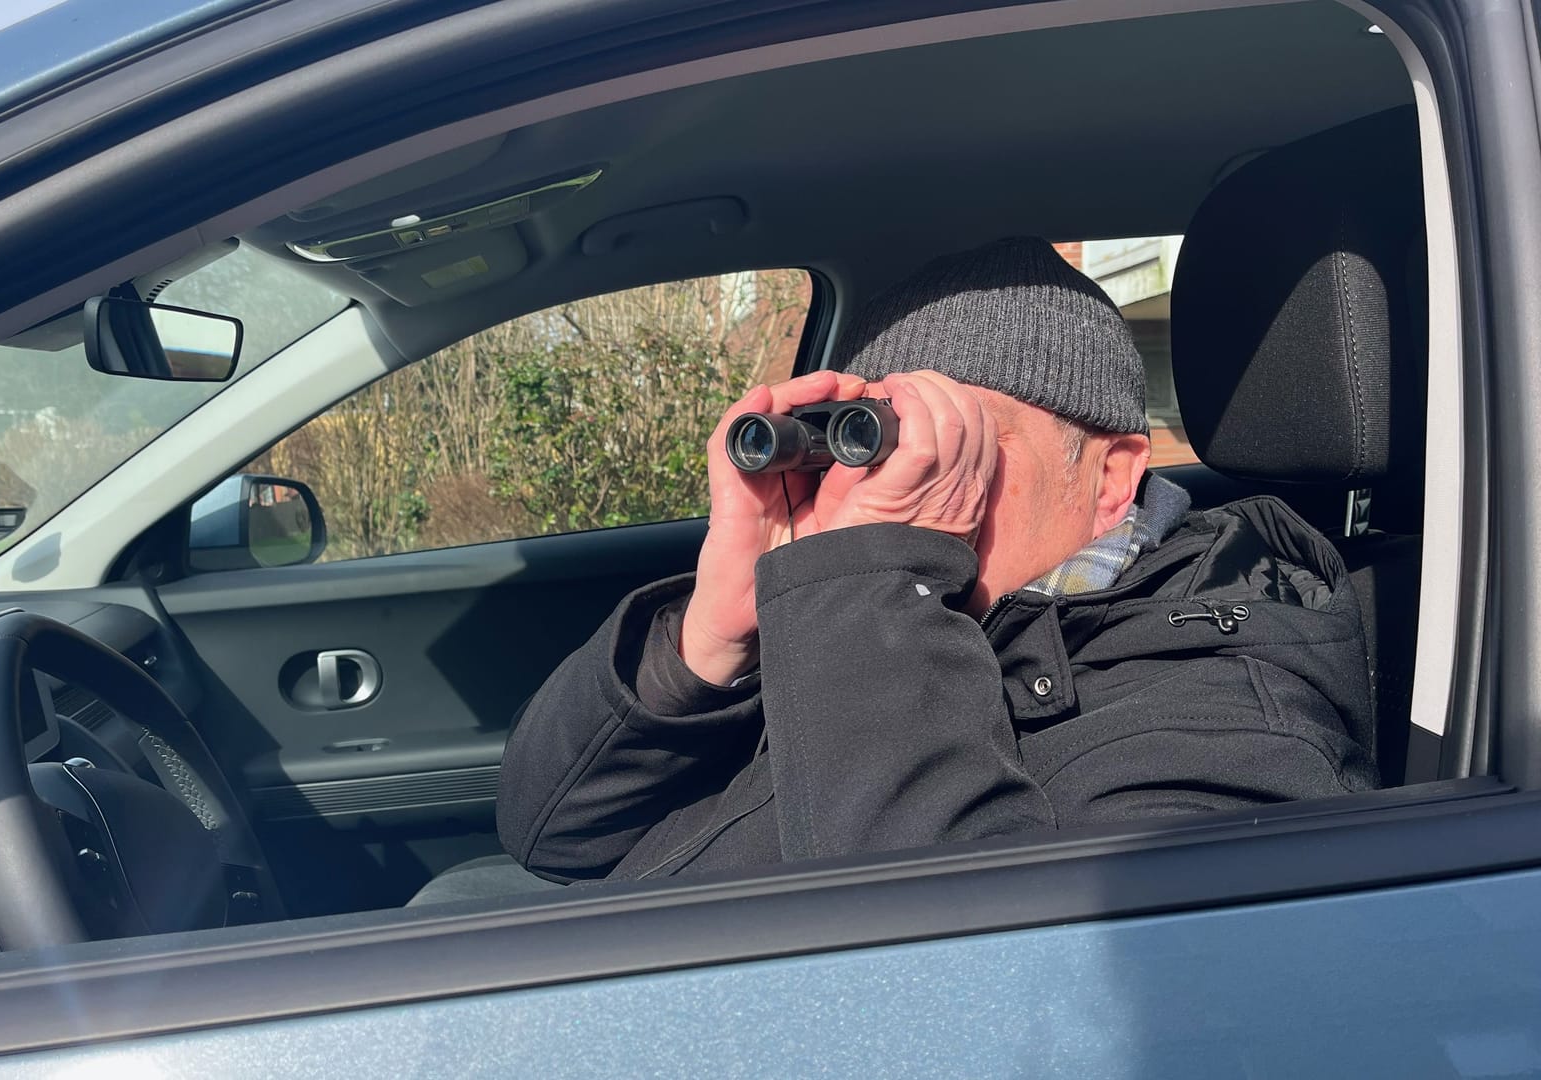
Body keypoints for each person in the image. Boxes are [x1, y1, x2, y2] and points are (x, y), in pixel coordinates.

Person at [495, 237, 1377, 883]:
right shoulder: (862, 613)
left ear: (1110, 478)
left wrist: (869, 581)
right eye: (871, 446)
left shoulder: (1222, 720)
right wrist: (709, 640)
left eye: (968, 451)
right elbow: (550, 832)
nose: (901, 487)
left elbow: (969, 1008)